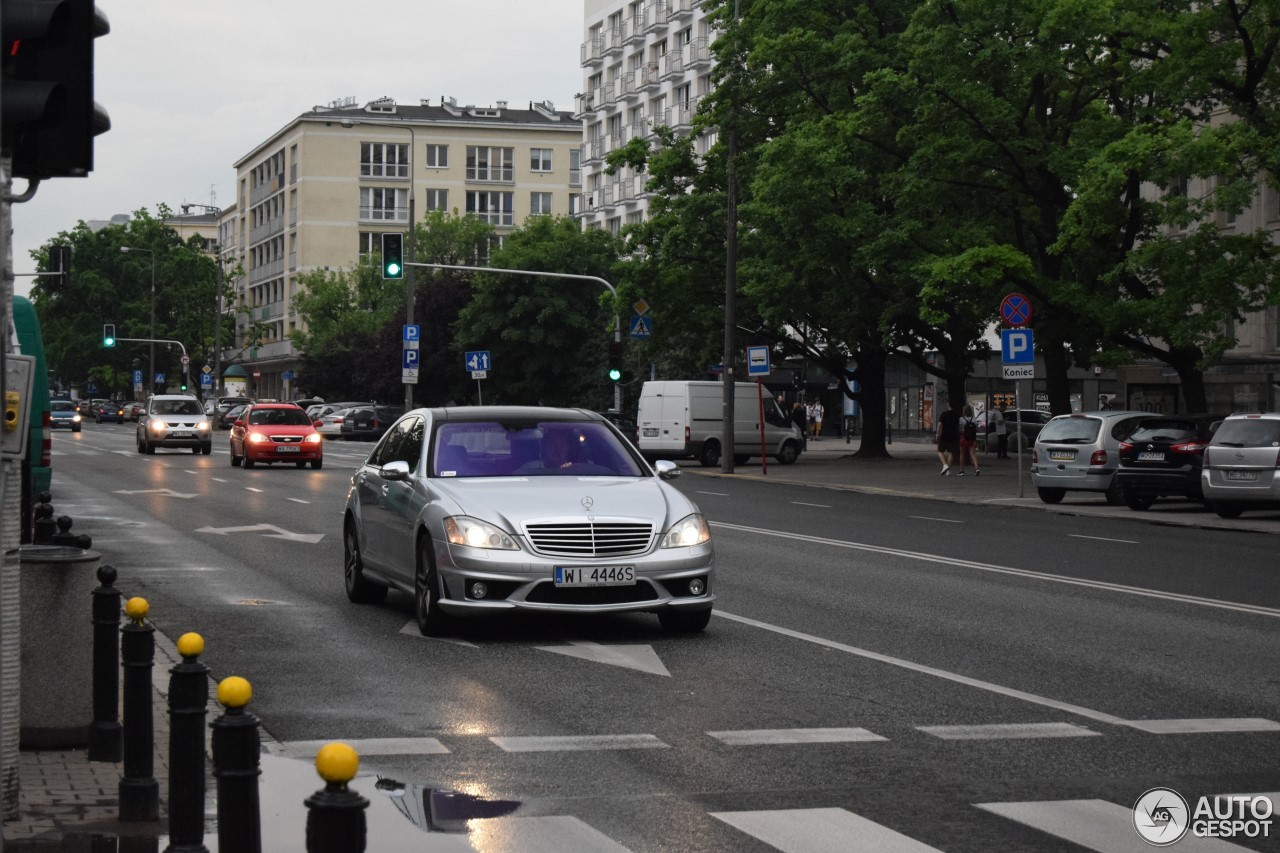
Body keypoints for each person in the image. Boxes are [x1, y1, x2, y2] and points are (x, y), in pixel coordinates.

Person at [936, 401, 962, 475]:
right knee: (951, 452)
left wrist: (937, 434)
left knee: (940, 451)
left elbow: (940, 424)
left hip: (944, 435)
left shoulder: (944, 414)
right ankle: (948, 470)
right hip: (954, 436)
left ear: (948, 405)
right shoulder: (957, 415)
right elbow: (959, 426)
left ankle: (945, 465)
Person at [959, 404, 981, 476]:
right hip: (972, 439)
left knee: (962, 454)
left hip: (964, 438)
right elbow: (977, 429)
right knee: (973, 454)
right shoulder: (974, 419)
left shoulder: (961, 419)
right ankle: (977, 468)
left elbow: (959, 429)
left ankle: (962, 470)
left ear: (964, 411)